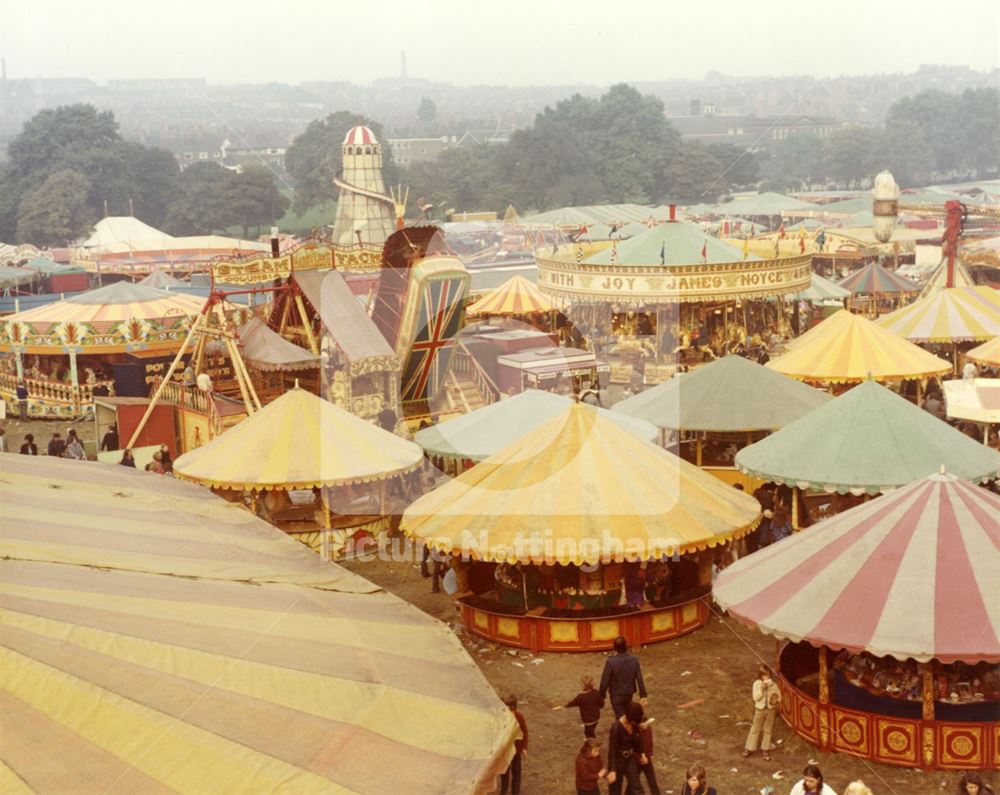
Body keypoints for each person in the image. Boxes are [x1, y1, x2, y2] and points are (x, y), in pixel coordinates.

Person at [599, 636, 648, 717]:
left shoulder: (611, 661)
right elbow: (639, 678)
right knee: (626, 715)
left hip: (616, 695)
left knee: (621, 718)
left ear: (614, 648)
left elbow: (605, 680)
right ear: (626, 646)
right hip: (629, 693)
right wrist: (643, 695)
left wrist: (601, 696)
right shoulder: (634, 660)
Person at [743, 665, 781, 760]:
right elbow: (755, 698)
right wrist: (762, 689)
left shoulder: (774, 685)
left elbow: (779, 696)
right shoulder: (757, 684)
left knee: (767, 729)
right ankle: (749, 748)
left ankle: (765, 749)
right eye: (764, 675)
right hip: (760, 709)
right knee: (755, 728)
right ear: (760, 676)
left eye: (768, 675)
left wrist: (776, 700)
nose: (766, 677)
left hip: (770, 709)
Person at [606, 700, 644, 795]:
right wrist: (612, 770)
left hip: (630, 759)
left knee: (637, 787)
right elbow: (612, 750)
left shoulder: (634, 723)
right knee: (615, 790)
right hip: (618, 761)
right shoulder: (616, 727)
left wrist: (642, 754)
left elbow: (637, 741)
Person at [500, 695, 527, 795]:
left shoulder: (519, 716)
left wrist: (524, 748)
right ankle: (504, 791)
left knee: (516, 774)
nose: (509, 711)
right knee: (504, 773)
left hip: (516, 750)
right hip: (505, 750)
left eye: (511, 708)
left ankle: (515, 792)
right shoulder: (501, 717)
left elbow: (524, 732)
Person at [637, 715, 661, 794]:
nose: (645, 727)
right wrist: (640, 758)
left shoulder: (648, 729)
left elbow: (650, 742)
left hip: (647, 760)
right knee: (633, 782)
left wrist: (650, 754)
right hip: (637, 761)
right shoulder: (634, 733)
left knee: (652, 781)